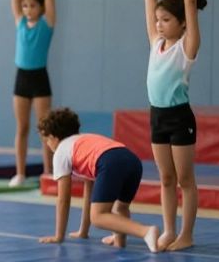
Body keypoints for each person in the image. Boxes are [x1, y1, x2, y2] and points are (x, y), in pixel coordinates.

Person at [145, 0, 205, 251]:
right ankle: (169, 230)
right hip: (157, 116)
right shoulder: (156, 42)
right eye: (158, 20)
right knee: (166, 179)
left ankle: (187, 234)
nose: (160, 24)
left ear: (182, 25)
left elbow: (190, 1)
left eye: (166, 20)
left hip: (179, 117)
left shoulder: (186, 47)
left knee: (185, 180)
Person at [37, 107, 160, 252]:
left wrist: (59, 236)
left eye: (46, 140)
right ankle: (120, 243)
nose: (47, 145)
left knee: (98, 216)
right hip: (131, 160)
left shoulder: (61, 151)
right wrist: (83, 231)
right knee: (121, 207)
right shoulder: (84, 140)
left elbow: (63, 199)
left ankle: (145, 231)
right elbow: (90, 192)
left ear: (53, 138)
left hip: (110, 162)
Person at [8, 0, 57, 187]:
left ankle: (48, 171)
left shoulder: (46, 25)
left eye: (32, 6)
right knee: (22, 127)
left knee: (44, 130)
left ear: (42, 8)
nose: (27, 9)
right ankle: (20, 172)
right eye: (25, 6)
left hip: (39, 79)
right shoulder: (19, 22)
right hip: (21, 78)